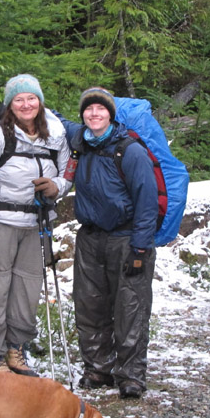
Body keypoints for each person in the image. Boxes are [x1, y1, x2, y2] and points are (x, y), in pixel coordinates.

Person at [0, 74, 72, 375]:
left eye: (31, 98)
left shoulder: (55, 135)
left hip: (36, 224)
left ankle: (16, 350)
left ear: (40, 101)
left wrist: (57, 187)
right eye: (19, 99)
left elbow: (67, 172)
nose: (26, 104)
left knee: (27, 288)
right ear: (10, 104)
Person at [59, 87, 158, 399]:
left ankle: (131, 375)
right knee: (90, 304)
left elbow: (147, 201)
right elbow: (56, 121)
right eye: (89, 109)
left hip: (127, 238)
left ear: (111, 114)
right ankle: (99, 368)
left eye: (100, 109)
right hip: (90, 237)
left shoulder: (130, 151)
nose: (94, 114)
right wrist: (8, 109)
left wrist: (141, 248)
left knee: (130, 307)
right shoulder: (81, 142)